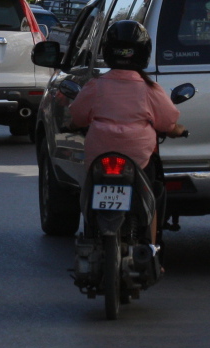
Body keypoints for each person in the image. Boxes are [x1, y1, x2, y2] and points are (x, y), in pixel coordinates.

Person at [66, 20, 185, 244]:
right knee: (152, 195)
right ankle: (150, 248)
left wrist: (72, 125)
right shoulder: (150, 89)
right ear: (144, 53)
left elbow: (77, 117)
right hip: (138, 159)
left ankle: (90, 236)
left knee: (88, 188)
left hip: (99, 157)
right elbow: (168, 122)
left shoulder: (95, 86)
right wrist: (178, 130)